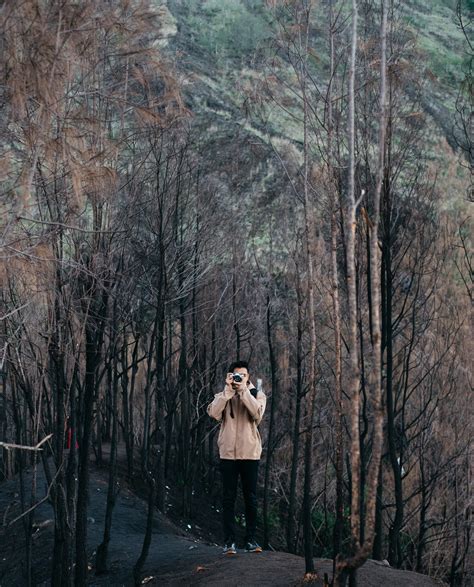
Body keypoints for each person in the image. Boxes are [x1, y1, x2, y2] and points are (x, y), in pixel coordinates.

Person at [207, 360, 267, 555]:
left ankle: (250, 540)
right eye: (236, 375)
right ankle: (229, 542)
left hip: (249, 454)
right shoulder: (223, 396)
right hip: (228, 455)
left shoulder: (257, 395)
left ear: (248, 377)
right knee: (228, 499)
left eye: (243, 375)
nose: (239, 378)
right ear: (230, 376)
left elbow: (257, 415)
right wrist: (228, 392)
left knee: (251, 499)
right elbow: (213, 413)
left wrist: (243, 392)